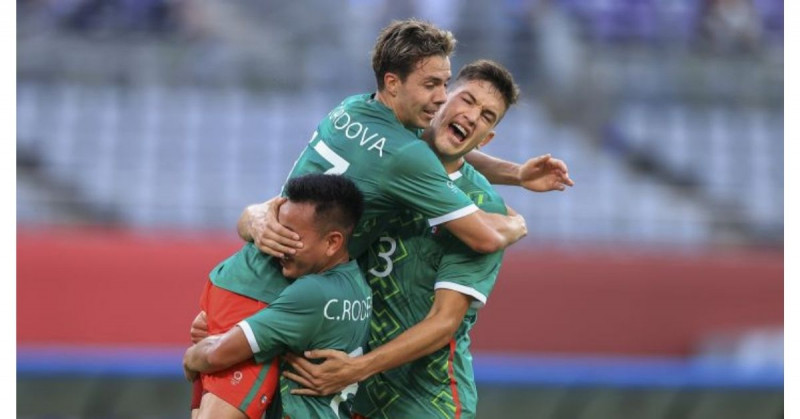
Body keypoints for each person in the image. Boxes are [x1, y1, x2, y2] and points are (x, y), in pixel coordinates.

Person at [281, 60, 530, 418]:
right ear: (439, 100)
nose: (473, 117)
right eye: (467, 100)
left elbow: (445, 322)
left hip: (427, 401)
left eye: (487, 116)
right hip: (353, 393)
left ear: (486, 137)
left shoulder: (480, 207)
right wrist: (255, 218)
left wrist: (358, 368)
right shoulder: (384, 155)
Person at [184, 173, 369, 419]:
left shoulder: (311, 293)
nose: (278, 245)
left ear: (332, 242)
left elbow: (219, 353)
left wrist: (190, 358)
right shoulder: (359, 287)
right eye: (277, 229)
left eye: (291, 236)